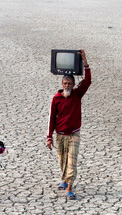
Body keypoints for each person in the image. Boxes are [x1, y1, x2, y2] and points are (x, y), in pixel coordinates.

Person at [46, 49, 91, 200]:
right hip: (60, 134)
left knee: (72, 161)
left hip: (74, 134)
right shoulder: (56, 98)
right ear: (62, 83)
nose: (67, 85)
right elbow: (52, 118)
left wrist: (85, 62)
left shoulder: (78, 94)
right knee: (62, 160)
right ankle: (64, 180)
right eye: (65, 83)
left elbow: (88, 81)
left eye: (70, 83)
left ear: (73, 84)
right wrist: (49, 137)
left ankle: (69, 188)